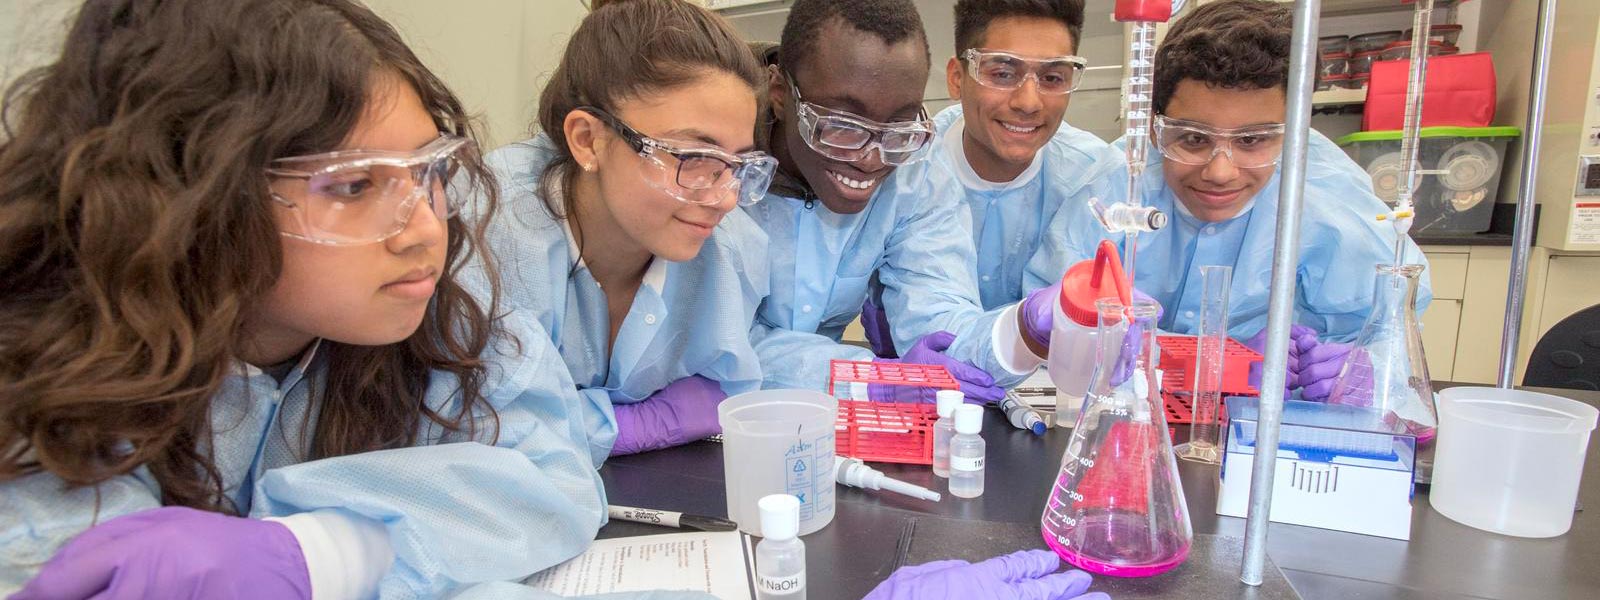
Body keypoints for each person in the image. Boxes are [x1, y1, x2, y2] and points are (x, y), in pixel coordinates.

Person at [0, 0, 618, 597]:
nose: (426, 229)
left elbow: (551, 480)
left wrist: (319, 553)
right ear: (187, 196)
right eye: (354, 185)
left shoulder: (435, 316)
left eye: (428, 172)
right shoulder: (46, 378)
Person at [1035, 0, 1432, 401]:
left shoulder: (1328, 201)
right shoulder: (1116, 188)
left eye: (1251, 141)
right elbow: (1052, 331)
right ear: (1154, 129)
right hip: (1130, 414)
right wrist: (1207, 361)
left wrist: (1369, 370)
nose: (1220, 172)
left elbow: (1394, 334)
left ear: (1294, 130)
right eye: (1192, 138)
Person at [466, 0, 774, 456]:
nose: (725, 198)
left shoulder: (729, 249)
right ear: (588, 140)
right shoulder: (493, 234)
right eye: (694, 158)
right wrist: (632, 425)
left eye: (739, 165)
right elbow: (473, 427)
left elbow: (738, 375)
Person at [744, 0, 1057, 402]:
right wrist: (871, 379)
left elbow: (938, 312)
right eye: (841, 126)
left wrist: (1020, 332)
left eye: (898, 127)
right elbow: (715, 342)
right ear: (780, 94)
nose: (872, 159)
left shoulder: (917, 165)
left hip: (821, 417)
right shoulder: (722, 155)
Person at [861, 0, 1116, 359]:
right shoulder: (905, 166)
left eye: (1052, 78)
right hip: (919, 390)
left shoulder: (1095, 177)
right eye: (1002, 73)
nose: (1029, 102)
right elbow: (934, 328)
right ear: (956, 77)